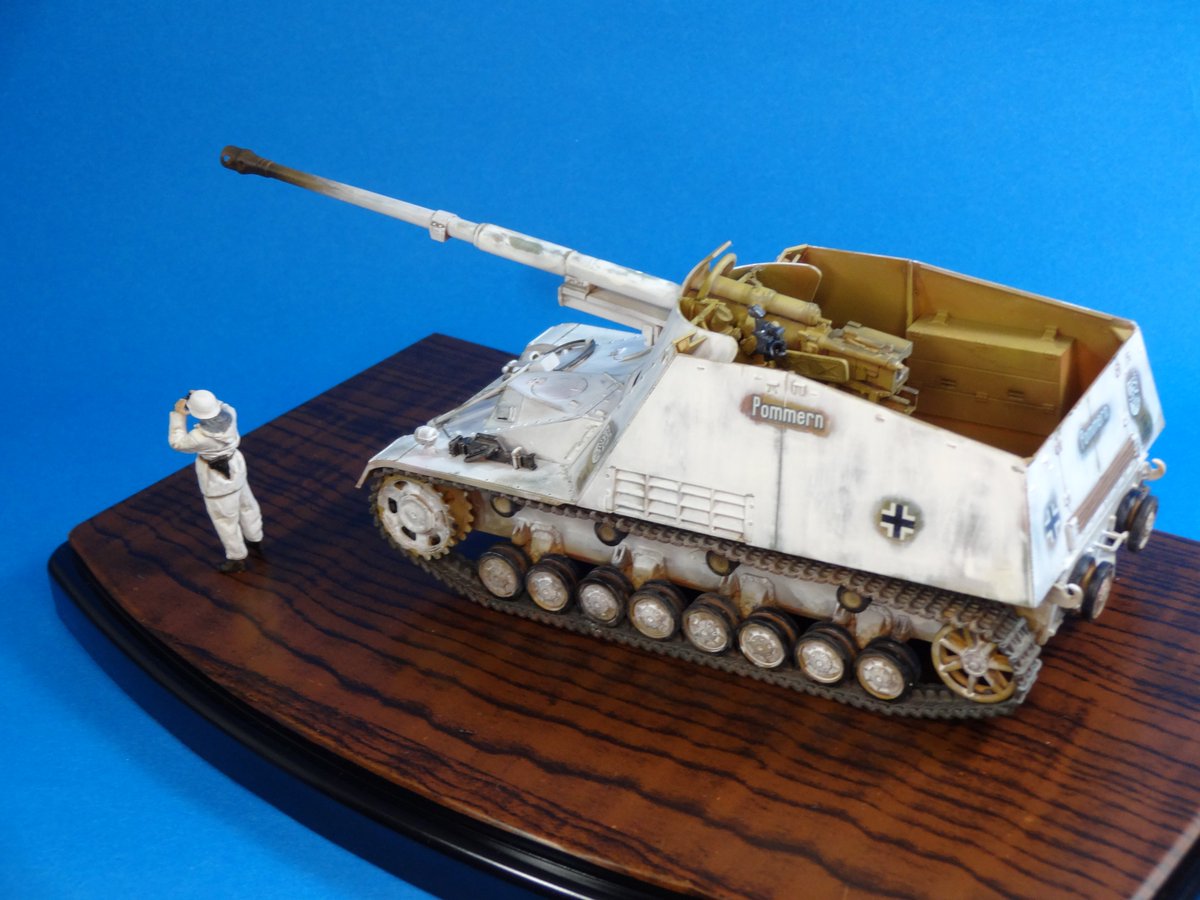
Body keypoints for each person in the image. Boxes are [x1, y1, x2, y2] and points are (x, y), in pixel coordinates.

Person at [168, 390, 264, 573]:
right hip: (236, 469)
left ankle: (236, 558)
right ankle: (255, 537)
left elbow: (177, 443)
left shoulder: (198, 437)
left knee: (225, 520)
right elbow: (222, 406)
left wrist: (179, 415)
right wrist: (206, 400)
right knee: (247, 505)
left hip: (216, 481)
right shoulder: (231, 413)